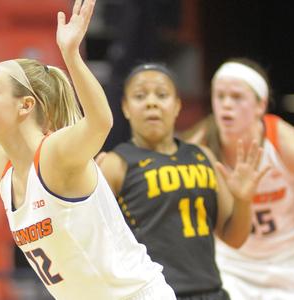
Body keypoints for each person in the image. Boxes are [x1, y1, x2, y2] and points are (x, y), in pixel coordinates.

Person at [0, 0, 176, 299]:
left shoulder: (55, 155)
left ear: (26, 105)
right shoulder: (3, 164)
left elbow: (100, 123)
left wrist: (72, 56)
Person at [184, 58, 294, 299]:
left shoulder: (285, 143)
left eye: (236, 97)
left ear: (260, 105)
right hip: (233, 270)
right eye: (220, 96)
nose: (226, 105)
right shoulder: (198, 148)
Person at [98, 63, 269, 299]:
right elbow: (94, 242)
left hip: (212, 292)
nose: (151, 102)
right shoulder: (115, 163)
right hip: (155, 294)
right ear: (126, 108)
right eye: (139, 96)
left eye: (162, 95)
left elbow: (234, 238)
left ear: (177, 105)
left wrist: (243, 200)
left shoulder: (202, 155)